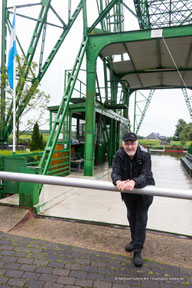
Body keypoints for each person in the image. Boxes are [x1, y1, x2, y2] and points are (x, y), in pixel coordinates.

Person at [111, 132, 155, 267]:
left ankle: (138, 250)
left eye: (132, 143)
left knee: (141, 220)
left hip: (143, 194)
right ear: (123, 144)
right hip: (128, 193)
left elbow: (146, 175)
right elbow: (115, 172)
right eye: (127, 144)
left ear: (137, 144)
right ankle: (134, 240)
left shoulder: (145, 155)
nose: (129, 147)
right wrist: (117, 181)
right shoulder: (119, 155)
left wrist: (134, 182)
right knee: (131, 217)